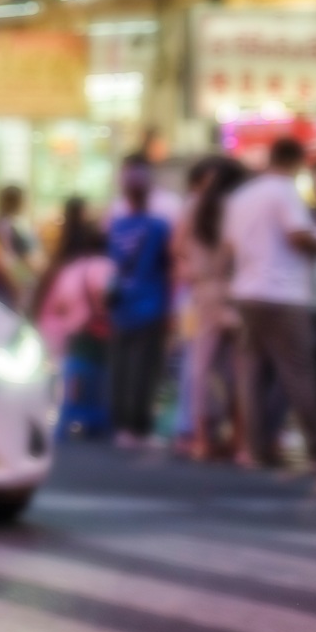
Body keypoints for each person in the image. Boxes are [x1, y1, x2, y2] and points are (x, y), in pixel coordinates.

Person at [222, 136, 316, 468]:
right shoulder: (284, 192)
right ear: (295, 162)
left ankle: (253, 448)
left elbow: (229, 246)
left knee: (251, 371)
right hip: (284, 293)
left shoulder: (243, 196)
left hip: (246, 291)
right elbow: (298, 236)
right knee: (298, 371)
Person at [174, 156, 245, 459]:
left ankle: (201, 437)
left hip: (202, 292)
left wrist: (192, 267)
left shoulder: (194, 206)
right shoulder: (238, 207)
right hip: (235, 290)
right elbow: (237, 248)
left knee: (200, 366)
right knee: (241, 368)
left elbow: (176, 247)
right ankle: (240, 438)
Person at [105, 155, 174, 447]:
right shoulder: (159, 226)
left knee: (121, 365)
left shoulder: (116, 225)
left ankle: (120, 424)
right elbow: (168, 266)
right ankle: (139, 427)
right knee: (145, 368)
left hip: (121, 304)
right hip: (151, 303)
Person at [33, 210, 113, 438]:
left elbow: (59, 302)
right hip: (96, 335)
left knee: (71, 381)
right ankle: (97, 422)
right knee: (98, 380)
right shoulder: (104, 266)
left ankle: (65, 421)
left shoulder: (68, 269)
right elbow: (110, 295)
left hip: (70, 333)